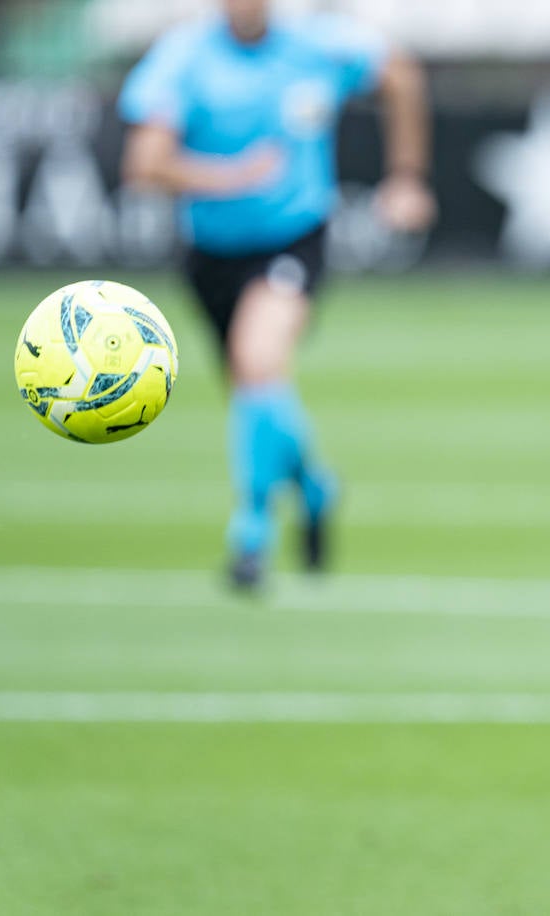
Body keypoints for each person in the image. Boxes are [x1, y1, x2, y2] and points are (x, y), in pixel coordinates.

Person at [118, 0, 437, 589]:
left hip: (293, 239)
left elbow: (401, 75)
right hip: (211, 255)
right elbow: (144, 163)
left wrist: (407, 178)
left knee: (258, 361)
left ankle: (251, 533)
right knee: (255, 391)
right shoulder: (184, 56)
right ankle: (314, 487)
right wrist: (229, 177)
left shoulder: (318, 43)